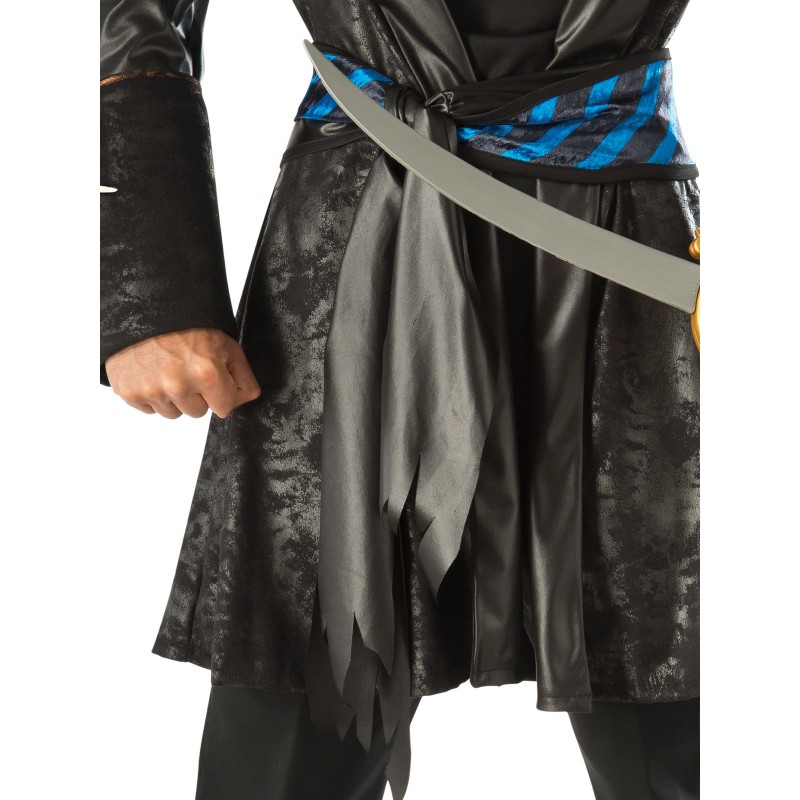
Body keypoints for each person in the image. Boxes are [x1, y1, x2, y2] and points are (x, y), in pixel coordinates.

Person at [100, 1, 700, 798]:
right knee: (304, 691)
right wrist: (146, 279)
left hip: (629, 265)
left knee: (683, 696)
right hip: (355, 252)